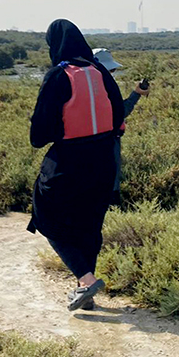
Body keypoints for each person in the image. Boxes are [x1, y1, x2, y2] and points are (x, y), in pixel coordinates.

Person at [27, 20, 124, 312]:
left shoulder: (58, 75)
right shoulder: (100, 72)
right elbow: (119, 116)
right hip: (105, 160)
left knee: (48, 220)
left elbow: (39, 135)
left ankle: (86, 278)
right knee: (89, 225)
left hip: (68, 162)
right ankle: (86, 289)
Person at [92, 48, 151, 205]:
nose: (112, 72)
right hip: (108, 139)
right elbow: (120, 112)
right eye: (110, 69)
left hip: (91, 139)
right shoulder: (106, 87)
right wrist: (135, 95)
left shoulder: (85, 86)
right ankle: (112, 208)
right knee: (111, 179)